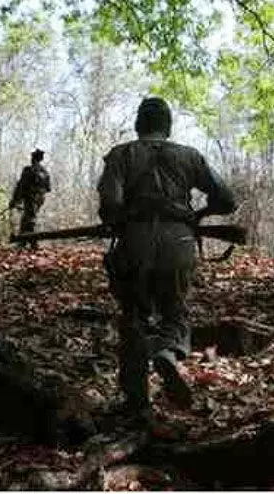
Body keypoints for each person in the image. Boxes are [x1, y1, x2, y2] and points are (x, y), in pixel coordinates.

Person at [97, 97, 236, 425]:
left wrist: (119, 218)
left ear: (138, 125)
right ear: (168, 126)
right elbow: (226, 199)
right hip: (179, 240)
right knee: (175, 312)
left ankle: (136, 402)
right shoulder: (190, 156)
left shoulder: (122, 154)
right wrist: (198, 214)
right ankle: (167, 352)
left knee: (133, 318)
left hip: (135, 240)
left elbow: (110, 203)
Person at [10, 148, 51, 249]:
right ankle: (25, 242)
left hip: (31, 198)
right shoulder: (45, 172)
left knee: (29, 219)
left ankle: (31, 242)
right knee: (28, 218)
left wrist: (15, 200)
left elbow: (20, 186)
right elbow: (48, 188)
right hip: (40, 199)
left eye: (32, 157)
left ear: (33, 158)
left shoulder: (28, 170)